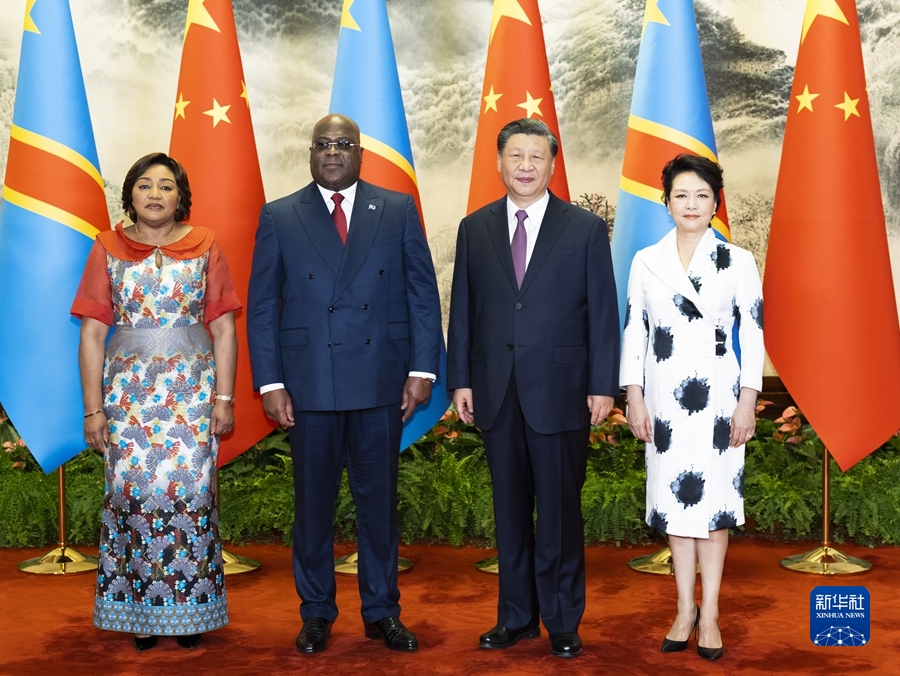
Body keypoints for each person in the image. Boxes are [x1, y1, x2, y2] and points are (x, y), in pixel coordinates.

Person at [246, 113, 442, 654]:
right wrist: (270, 382)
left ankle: (382, 612)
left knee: (378, 506)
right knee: (313, 508)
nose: (332, 152)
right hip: (308, 384)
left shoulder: (398, 209)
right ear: (311, 153)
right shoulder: (280, 215)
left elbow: (422, 294)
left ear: (360, 153)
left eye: (343, 144)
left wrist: (422, 370)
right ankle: (315, 612)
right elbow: (262, 307)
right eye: (323, 144)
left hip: (382, 382)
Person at [447, 118, 620, 658]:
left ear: (552, 164)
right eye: (516, 156)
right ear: (499, 162)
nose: (525, 166)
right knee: (510, 511)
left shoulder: (584, 228)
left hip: (563, 391)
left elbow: (603, 314)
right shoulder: (474, 228)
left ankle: (562, 619)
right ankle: (516, 616)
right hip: (496, 391)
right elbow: (464, 310)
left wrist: (602, 385)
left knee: (560, 513)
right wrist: (460, 379)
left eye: (536, 157)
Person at [73, 152, 240, 652]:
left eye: (166, 186)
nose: (154, 194)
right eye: (144, 185)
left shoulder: (205, 244)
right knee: (133, 498)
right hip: (128, 400)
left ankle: (191, 611)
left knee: (191, 498)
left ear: (180, 197)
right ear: (131, 194)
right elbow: (92, 334)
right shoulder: (106, 247)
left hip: (193, 397)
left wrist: (224, 398)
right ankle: (140, 614)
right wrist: (94, 409)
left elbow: (224, 329)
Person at [620, 155, 764, 661]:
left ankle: (712, 614)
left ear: (715, 203)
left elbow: (754, 333)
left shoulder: (738, 261)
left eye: (702, 195)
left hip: (719, 399)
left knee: (714, 507)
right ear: (666, 202)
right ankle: (684, 610)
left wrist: (747, 402)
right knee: (676, 507)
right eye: (681, 195)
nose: (691, 204)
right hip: (664, 400)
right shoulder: (646, 260)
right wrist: (634, 395)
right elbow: (634, 330)